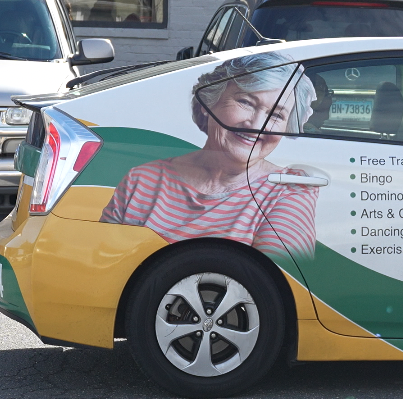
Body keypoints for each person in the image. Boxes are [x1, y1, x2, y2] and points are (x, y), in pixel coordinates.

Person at [100, 52, 318, 257]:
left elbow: (276, 279)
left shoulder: (289, 191)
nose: (256, 125)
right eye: (245, 102)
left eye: (277, 115)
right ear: (208, 102)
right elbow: (103, 262)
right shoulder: (141, 180)